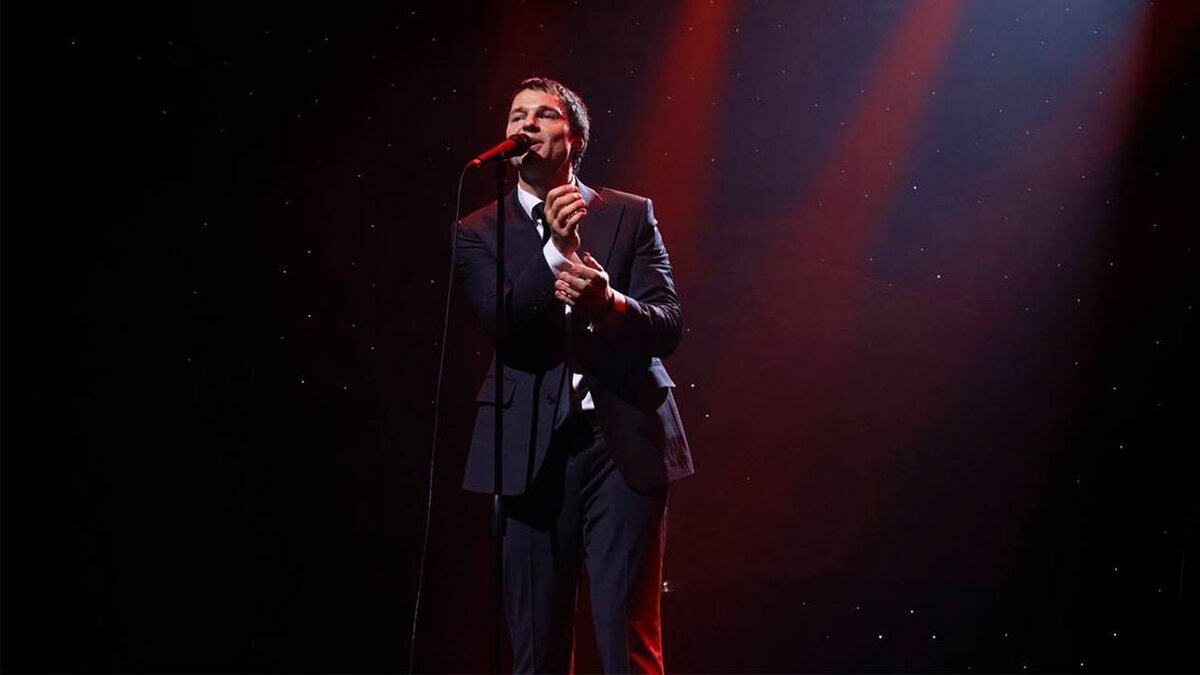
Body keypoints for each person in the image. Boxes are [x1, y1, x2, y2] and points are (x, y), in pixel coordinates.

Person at [455, 77, 693, 674]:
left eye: (543, 114)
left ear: (575, 137)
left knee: (628, 645)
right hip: (527, 451)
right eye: (516, 115)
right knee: (536, 652)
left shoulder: (629, 214)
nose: (525, 124)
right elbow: (504, 326)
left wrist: (608, 304)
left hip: (621, 444)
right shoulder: (478, 230)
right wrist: (556, 252)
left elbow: (667, 325)